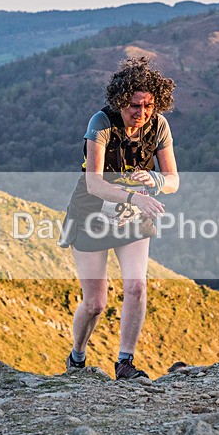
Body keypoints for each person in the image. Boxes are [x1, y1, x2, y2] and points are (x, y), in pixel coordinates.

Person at [58, 57, 179, 380]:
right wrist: (133, 196)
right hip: (91, 214)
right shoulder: (101, 123)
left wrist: (155, 181)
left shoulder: (159, 126)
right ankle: (77, 357)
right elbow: (94, 184)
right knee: (95, 303)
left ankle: (125, 362)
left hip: (133, 215)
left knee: (137, 286)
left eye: (148, 105)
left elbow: (173, 180)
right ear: (120, 101)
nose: (142, 113)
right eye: (134, 106)